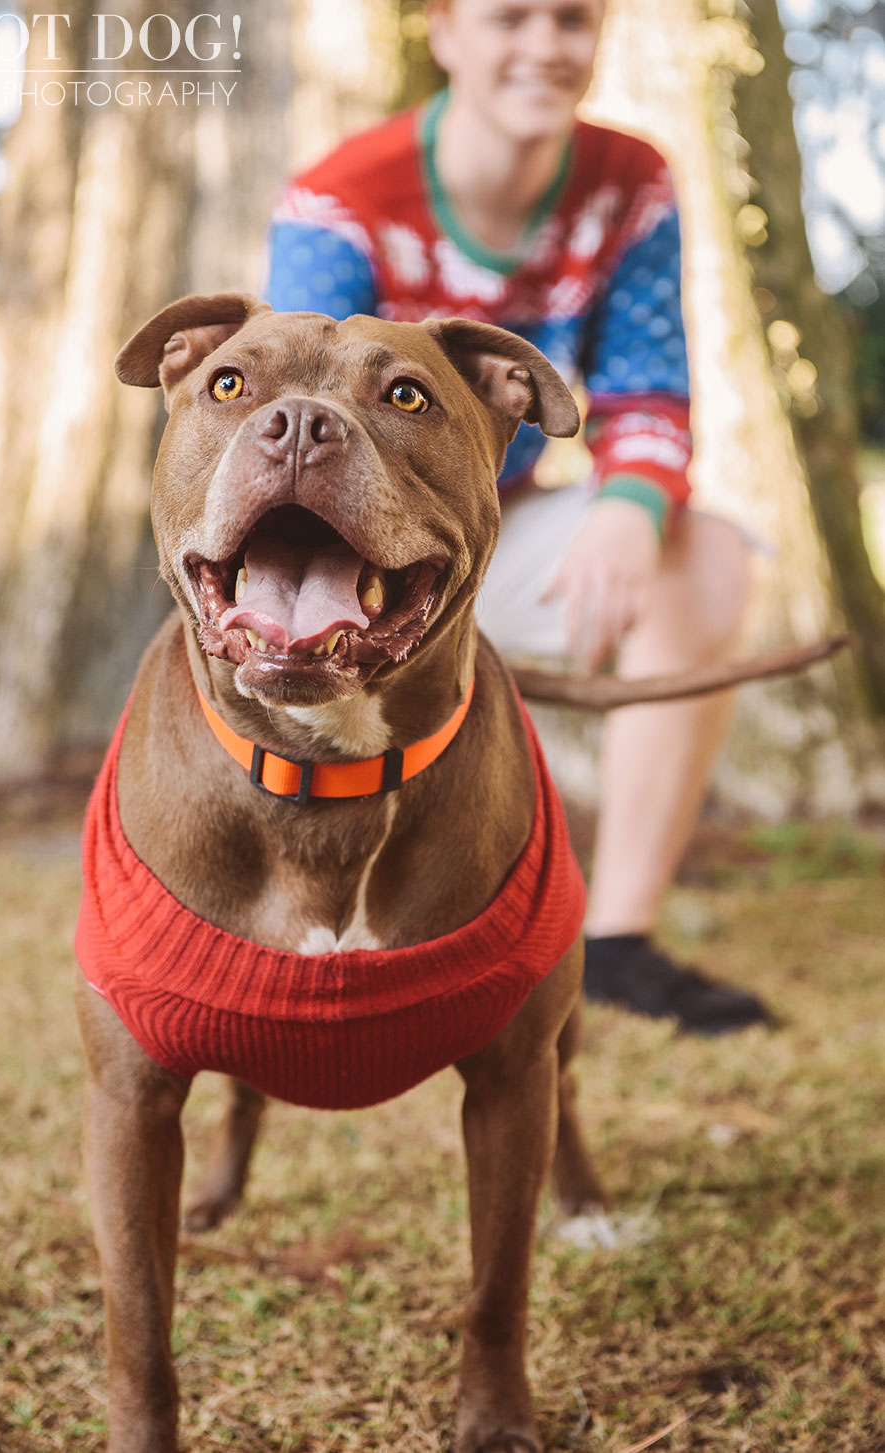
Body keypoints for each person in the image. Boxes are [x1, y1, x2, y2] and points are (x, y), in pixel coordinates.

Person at [262, 0, 770, 1034]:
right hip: (359, 536)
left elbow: (645, 393)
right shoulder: (341, 198)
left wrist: (630, 506)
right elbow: (297, 395)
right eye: (508, 19)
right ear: (443, 32)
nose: (543, 47)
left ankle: (618, 940)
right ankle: (320, 921)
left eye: (571, 20)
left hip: (510, 521)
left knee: (707, 559)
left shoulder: (629, 183)